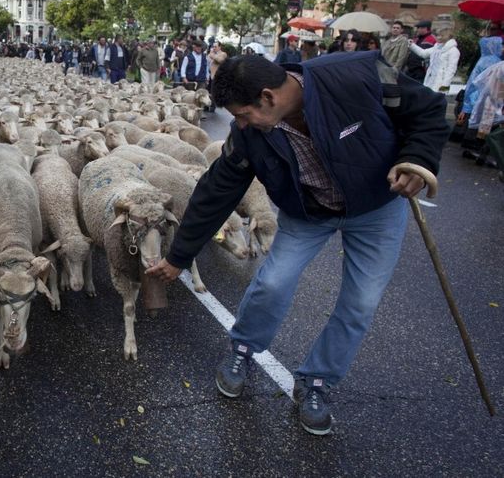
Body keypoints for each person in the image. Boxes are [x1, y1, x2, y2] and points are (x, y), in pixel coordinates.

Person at [145, 52, 449, 435]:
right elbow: (218, 189)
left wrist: (417, 159)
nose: (239, 124)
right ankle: (242, 349)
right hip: (309, 211)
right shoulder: (250, 135)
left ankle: (317, 381)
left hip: (377, 209)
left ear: (269, 97)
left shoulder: (360, 76)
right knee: (273, 281)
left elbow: (429, 111)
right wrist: (178, 256)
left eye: (242, 115)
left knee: (360, 302)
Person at [207, 42, 228, 111]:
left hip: (216, 76)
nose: (214, 48)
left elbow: (220, 60)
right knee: (208, 91)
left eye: (215, 46)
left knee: (213, 92)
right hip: (210, 75)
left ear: (219, 47)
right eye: (213, 46)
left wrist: (212, 55)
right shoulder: (212, 54)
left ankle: (212, 106)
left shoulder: (223, 54)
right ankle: (207, 105)